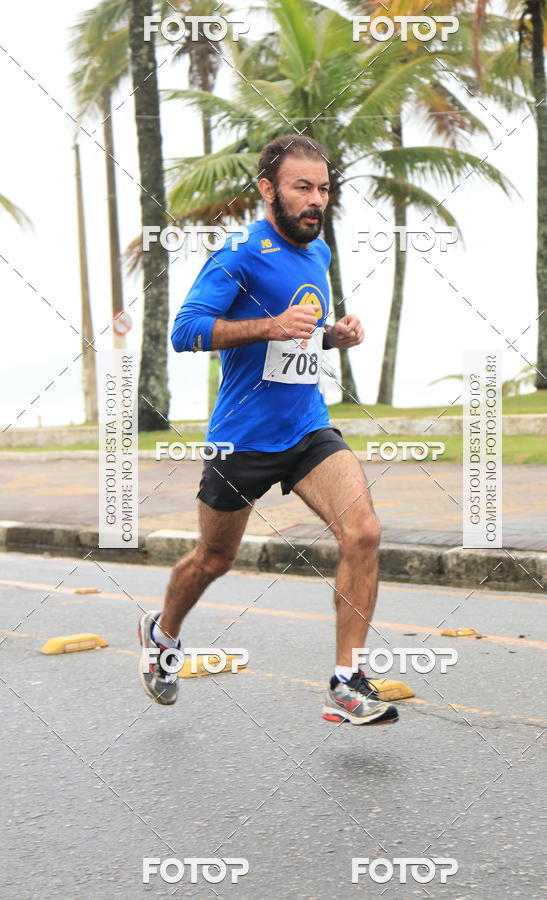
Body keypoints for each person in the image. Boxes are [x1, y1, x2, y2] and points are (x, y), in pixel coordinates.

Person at [138, 134, 398, 726]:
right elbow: (186, 330)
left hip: (307, 428)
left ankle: (346, 680)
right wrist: (269, 325)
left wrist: (334, 335)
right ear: (267, 191)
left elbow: (302, 334)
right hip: (243, 436)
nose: (315, 200)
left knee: (363, 531)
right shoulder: (238, 253)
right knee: (213, 559)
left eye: (324, 189)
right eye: (302, 188)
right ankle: (162, 634)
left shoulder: (319, 254)